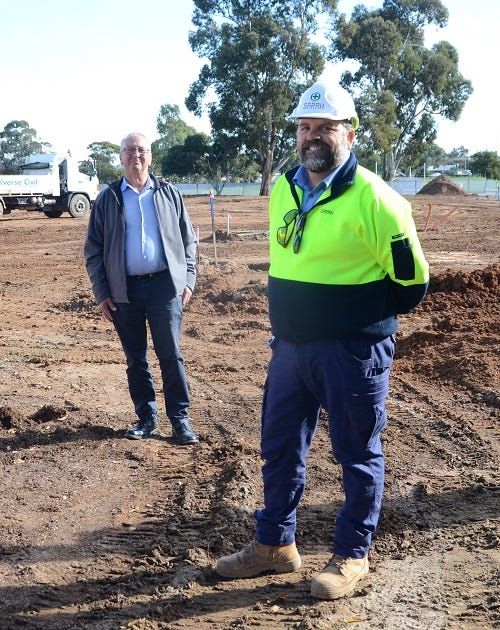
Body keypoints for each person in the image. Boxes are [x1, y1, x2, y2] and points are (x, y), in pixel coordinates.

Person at [215, 81, 429, 600]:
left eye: (326, 128)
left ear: (349, 134)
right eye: (305, 127)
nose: (313, 137)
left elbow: (412, 286)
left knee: (356, 453)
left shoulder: (378, 200)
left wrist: (351, 323)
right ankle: (274, 547)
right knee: (279, 446)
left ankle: (353, 555)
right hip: (289, 348)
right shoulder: (286, 188)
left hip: (351, 353)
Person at [84, 132, 199, 446]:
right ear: (120, 158)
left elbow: (189, 240)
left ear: (150, 156)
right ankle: (146, 418)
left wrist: (188, 279)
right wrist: (102, 292)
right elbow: (93, 249)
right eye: (129, 150)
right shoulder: (108, 198)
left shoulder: (169, 193)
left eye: (142, 150)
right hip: (125, 291)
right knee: (136, 358)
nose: (136, 155)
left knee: (170, 355)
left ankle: (180, 421)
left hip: (165, 287)